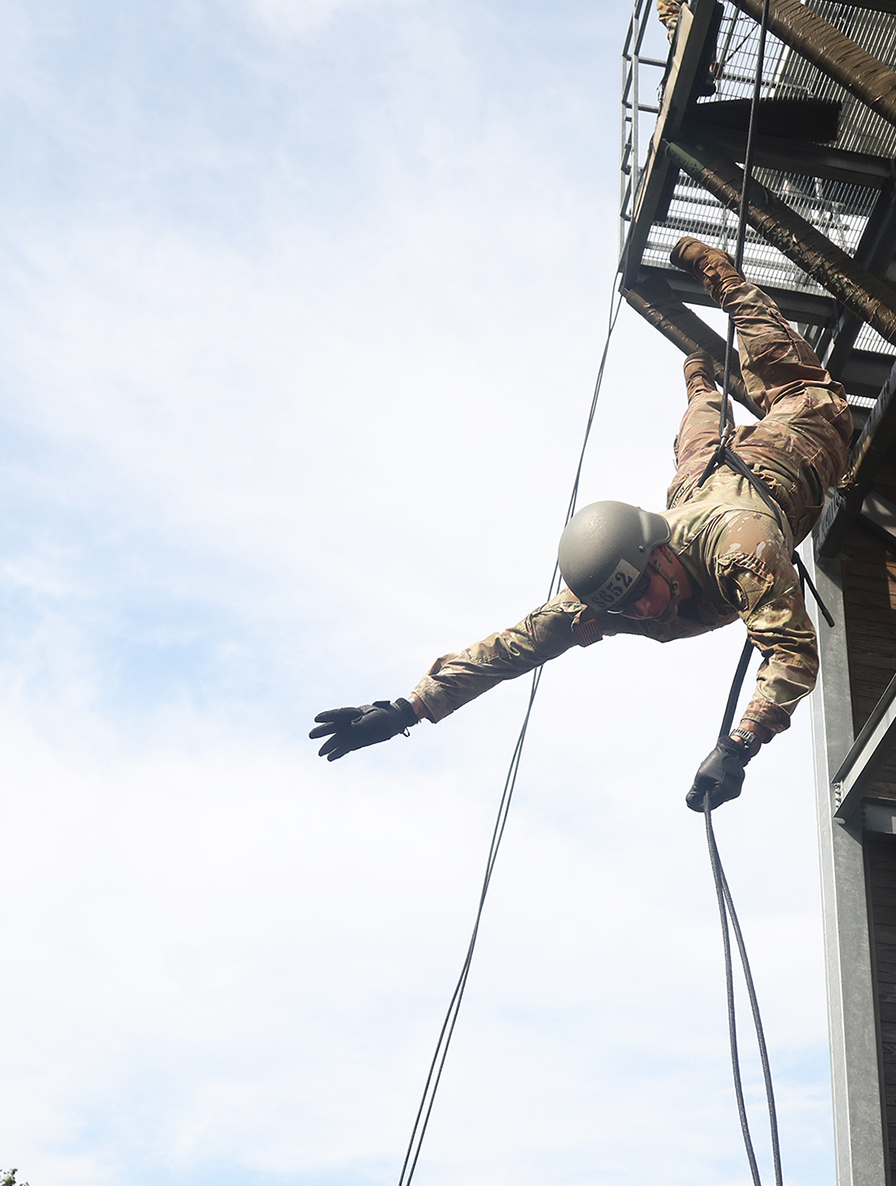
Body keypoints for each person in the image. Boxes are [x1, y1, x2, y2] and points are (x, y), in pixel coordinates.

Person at [309, 237, 854, 812]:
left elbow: (792, 654)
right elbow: (512, 648)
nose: (642, 609)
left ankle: (722, 276)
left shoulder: (743, 549)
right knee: (697, 439)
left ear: (661, 555)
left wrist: (740, 745)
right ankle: (700, 383)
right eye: (628, 604)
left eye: (643, 592)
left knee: (794, 377)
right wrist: (409, 708)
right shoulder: (609, 593)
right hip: (698, 484)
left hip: (793, 449)